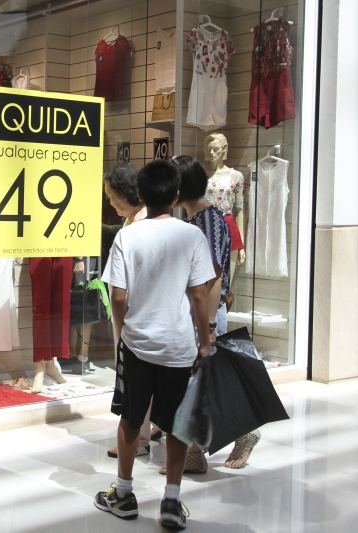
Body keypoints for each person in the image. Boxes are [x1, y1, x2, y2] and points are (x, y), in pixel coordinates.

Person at [95, 159, 214, 529]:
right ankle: (171, 502)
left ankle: (125, 494)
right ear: (176, 195)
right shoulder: (192, 235)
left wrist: (122, 331)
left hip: (137, 344)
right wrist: (205, 341)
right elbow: (198, 294)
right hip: (179, 347)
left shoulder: (127, 236)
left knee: (131, 419)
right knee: (177, 424)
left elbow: (117, 296)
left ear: (141, 195)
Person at [171, 155, 261, 471]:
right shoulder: (202, 219)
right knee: (202, 381)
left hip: (206, 314)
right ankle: (201, 449)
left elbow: (213, 276)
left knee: (201, 380)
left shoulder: (207, 221)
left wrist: (207, 325)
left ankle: (207, 448)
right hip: (202, 313)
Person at [102, 163, 164, 458]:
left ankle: (137, 439)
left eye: (113, 197)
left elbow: (119, 288)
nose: (111, 203)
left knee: (134, 377)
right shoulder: (138, 222)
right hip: (142, 310)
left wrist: (122, 321)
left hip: (132, 311)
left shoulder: (137, 227)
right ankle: (146, 430)